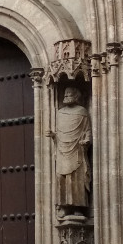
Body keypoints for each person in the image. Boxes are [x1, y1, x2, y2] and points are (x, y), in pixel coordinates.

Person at [48, 86, 91, 216]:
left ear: (76, 96)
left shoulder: (82, 112)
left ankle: (78, 207)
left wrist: (87, 140)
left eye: (69, 94)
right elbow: (60, 132)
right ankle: (64, 206)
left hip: (76, 150)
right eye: (65, 94)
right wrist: (54, 136)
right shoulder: (60, 113)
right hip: (62, 150)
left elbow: (87, 130)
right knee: (61, 177)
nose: (66, 96)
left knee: (76, 178)